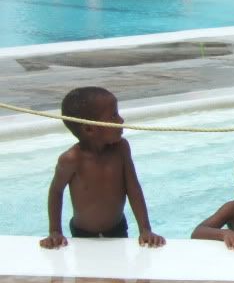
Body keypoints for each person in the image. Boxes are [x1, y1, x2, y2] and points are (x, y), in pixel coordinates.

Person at [39, 87, 165, 249]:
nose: (121, 120)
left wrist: (145, 229)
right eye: (113, 116)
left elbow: (133, 188)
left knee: (120, 268)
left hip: (117, 228)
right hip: (83, 233)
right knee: (85, 272)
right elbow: (56, 191)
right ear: (90, 128)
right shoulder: (72, 159)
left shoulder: (121, 149)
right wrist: (55, 231)